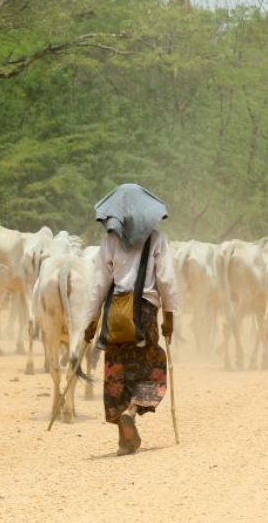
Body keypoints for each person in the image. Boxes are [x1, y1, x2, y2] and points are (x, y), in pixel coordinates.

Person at [82, 183, 179, 456]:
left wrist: (91, 320)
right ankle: (133, 410)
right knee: (152, 365)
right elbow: (167, 280)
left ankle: (124, 441)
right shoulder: (157, 239)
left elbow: (98, 284)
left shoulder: (110, 241)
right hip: (145, 312)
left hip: (114, 313)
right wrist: (169, 316)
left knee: (117, 370)